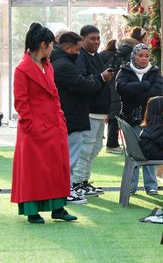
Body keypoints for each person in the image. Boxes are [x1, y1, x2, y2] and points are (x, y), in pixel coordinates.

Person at [11, 22, 77, 223]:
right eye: (51, 45)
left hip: (53, 125)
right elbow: (21, 102)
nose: (53, 48)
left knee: (57, 167)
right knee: (33, 171)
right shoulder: (22, 69)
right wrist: (31, 125)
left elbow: (54, 93)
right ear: (42, 45)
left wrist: (60, 116)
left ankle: (58, 208)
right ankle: (32, 211)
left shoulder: (47, 65)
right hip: (33, 129)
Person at [51, 31, 107, 204]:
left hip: (73, 115)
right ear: (68, 47)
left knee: (74, 155)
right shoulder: (63, 65)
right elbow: (83, 86)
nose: (78, 53)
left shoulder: (62, 62)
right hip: (72, 116)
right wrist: (100, 79)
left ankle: (67, 189)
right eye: (77, 49)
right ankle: (66, 190)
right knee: (71, 156)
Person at [116, 43, 163, 195]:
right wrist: (145, 85)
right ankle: (131, 185)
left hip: (151, 119)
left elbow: (158, 91)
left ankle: (151, 185)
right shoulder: (125, 70)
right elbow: (121, 88)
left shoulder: (155, 71)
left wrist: (136, 90)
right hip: (131, 118)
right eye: (140, 55)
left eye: (146, 56)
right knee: (133, 152)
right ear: (134, 56)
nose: (144, 59)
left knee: (150, 150)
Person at [74, 25, 113, 196]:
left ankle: (83, 180)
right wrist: (101, 77)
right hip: (89, 111)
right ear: (82, 40)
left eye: (98, 38)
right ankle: (77, 182)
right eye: (92, 38)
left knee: (95, 147)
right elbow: (82, 81)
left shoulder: (95, 56)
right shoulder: (80, 57)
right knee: (86, 148)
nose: (96, 41)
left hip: (99, 111)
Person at [138, 96, 163, 161]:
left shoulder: (154, 122)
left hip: (154, 151)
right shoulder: (157, 124)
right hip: (154, 153)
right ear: (161, 110)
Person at [99, 39, 122, 154]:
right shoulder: (117, 57)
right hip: (114, 89)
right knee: (114, 118)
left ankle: (109, 142)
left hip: (104, 87)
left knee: (109, 116)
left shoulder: (102, 55)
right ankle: (112, 144)